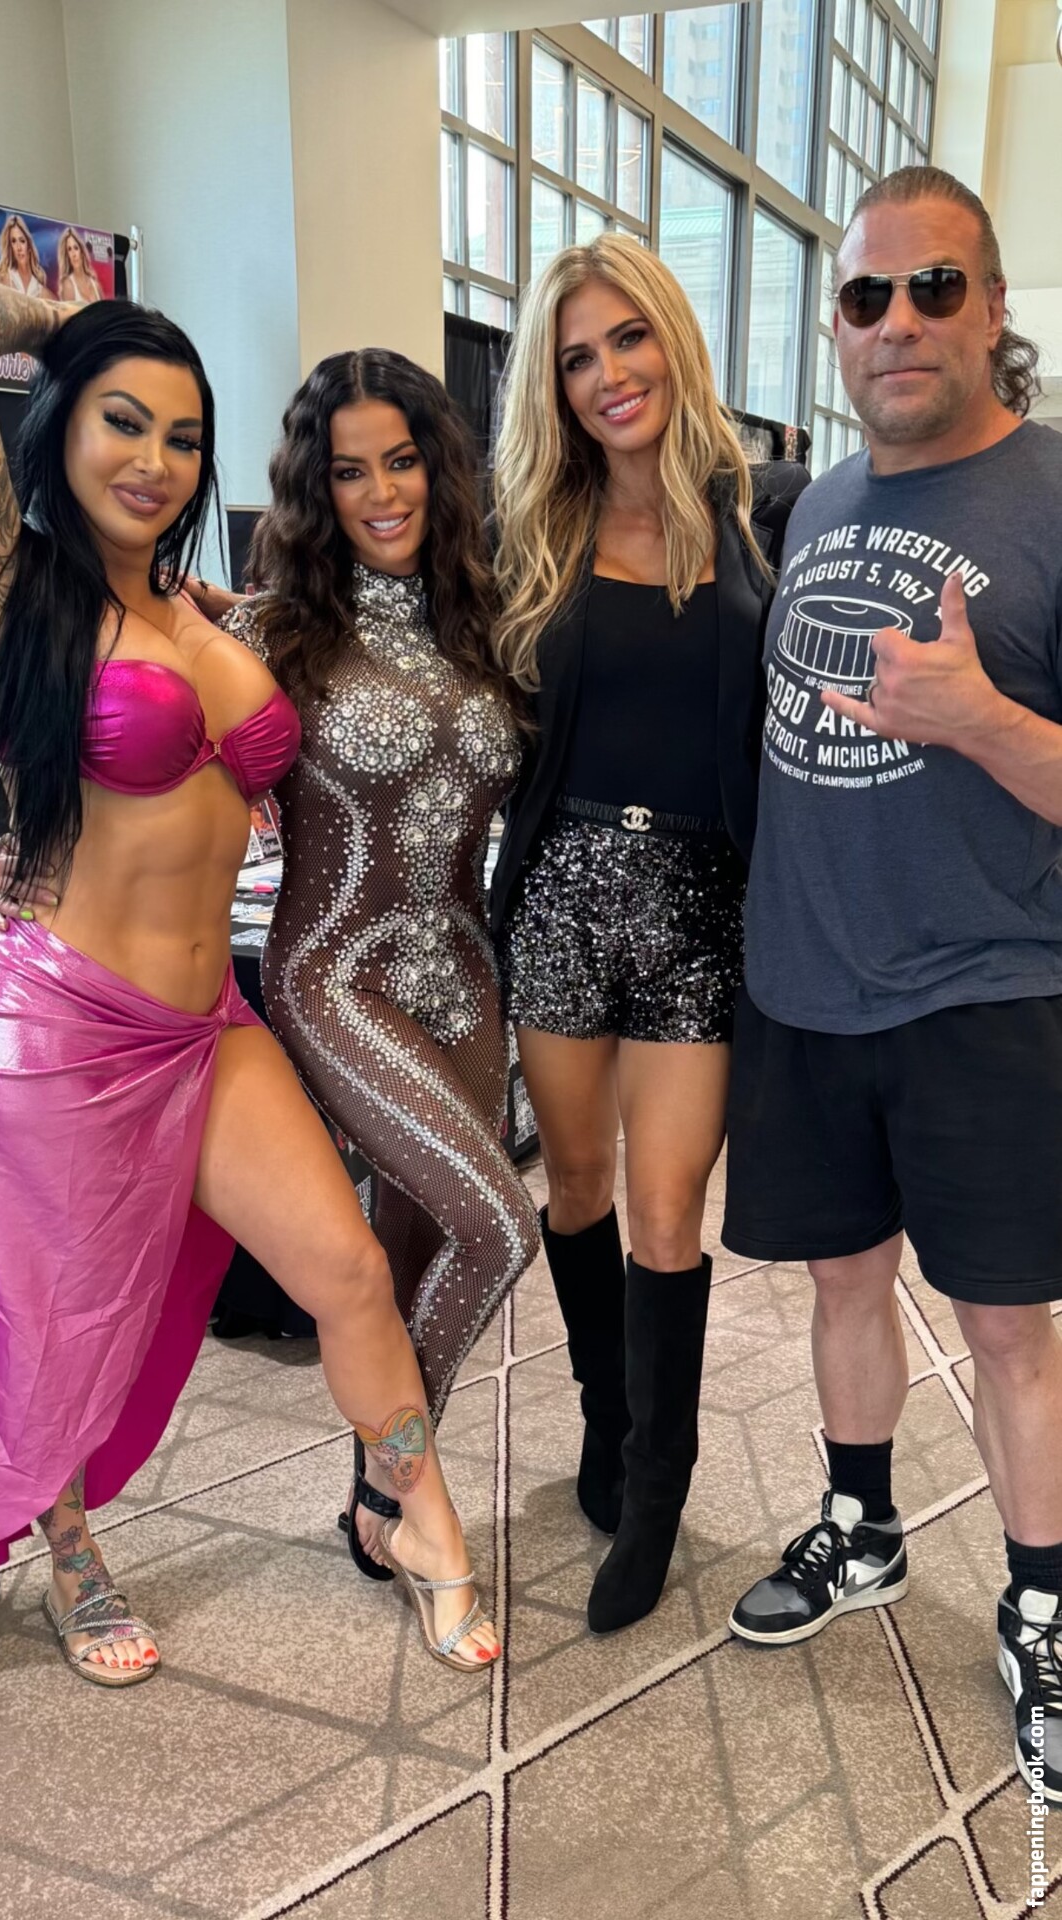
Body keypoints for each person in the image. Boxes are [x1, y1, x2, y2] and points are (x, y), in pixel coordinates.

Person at [0, 282, 502, 1683]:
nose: (154, 460)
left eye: (183, 436)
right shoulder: (15, 590)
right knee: (60, 1317)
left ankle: (421, 1525)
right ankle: (70, 1558)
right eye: (121, 421)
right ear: (56, 426)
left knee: (347, 1269)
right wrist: (61, 313)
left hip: (212, 1021)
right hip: (63, 1022)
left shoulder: (211, 611)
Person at [722, 166, 1062, 1804]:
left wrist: (980, 718)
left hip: (985, 989)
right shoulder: (814, 505)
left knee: (1007, 1326)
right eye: (868, 297)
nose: (900, 322)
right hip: (806, 982)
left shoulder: (1053, 498)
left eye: (936, 288)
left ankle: (1044, 1607)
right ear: (838, 328)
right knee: (842, 1287)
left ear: (993, 312)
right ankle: (861, 1526)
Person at [490, 233, 808, 1635]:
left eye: (628, 338)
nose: (609, 373)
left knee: (671, 1213)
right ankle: (604, 1417)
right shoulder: (530, 536)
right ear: (553, 389)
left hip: (701, 906)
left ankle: (659, 1485)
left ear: (673, 340)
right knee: (576, 1183)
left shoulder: (763, 521)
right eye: (577, 357)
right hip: (561, 891)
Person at [218, 349, 539, 1579]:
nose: (382, 492)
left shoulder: (485, 620)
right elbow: (149, 746)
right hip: (334, 974)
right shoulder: (269, 632)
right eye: (349, 472)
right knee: (497, 1226)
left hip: (466, 981)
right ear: (317, 489)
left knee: (422, 1260)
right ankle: (409, 1494)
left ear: (436, 468)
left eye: (400, 462)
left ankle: (377, 1496)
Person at [0, 214, 51, 300]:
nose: (18, 248)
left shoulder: (40, 288)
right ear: (10, 247)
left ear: (29, 245)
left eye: (22, 241)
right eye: (13, 241)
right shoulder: (6, 278)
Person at [57, 228, 103, 306]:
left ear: (81, 252)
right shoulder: (68, 285)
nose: (74, 254)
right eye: (69, 249)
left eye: (76, 248)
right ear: (67, 256)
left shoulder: (95, 284)